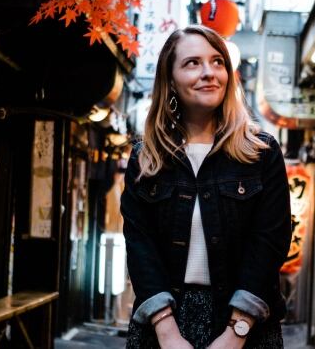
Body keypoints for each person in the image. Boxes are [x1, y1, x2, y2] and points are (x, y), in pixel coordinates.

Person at [121, 25, 292, 349]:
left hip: (245, 321)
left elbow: (269, 242)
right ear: (169, 79)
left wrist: (237, 331)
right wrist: (167, 332)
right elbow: (140, 245)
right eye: (192, 63)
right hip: (164, 320)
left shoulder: (260, 153)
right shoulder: (146, 157)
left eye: (217, 62)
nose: (209, 73)